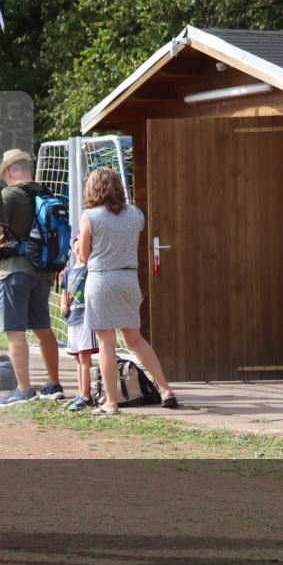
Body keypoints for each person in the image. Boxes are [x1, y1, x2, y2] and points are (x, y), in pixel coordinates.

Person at [78, 167, 178, 415]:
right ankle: (166, 389)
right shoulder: (135, 214)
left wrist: (79, 245)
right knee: (135, 339)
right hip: (128, 278)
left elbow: (83, 255)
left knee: (106, 343)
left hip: (102, 279)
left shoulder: (90, 216)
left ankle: (111, 402)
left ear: (93, 188)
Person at [0, 149, 64, 407]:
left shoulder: (9, 195)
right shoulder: (46, 193)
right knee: (43, 328)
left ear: (9, 171)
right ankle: (54, 383)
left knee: (14, 330)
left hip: (14, 270)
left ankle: (23, 389)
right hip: (43, 272)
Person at [61, 236, 98, 411]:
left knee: (85, 357)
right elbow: (64, 290)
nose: (79, 244)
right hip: (72, 318)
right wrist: (63, 305)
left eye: (82, 241)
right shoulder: (69, 271)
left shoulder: (89, 267)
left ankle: (87, 395)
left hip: (85, 318)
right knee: (77, 357)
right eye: (76, 241)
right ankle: (80, 392)